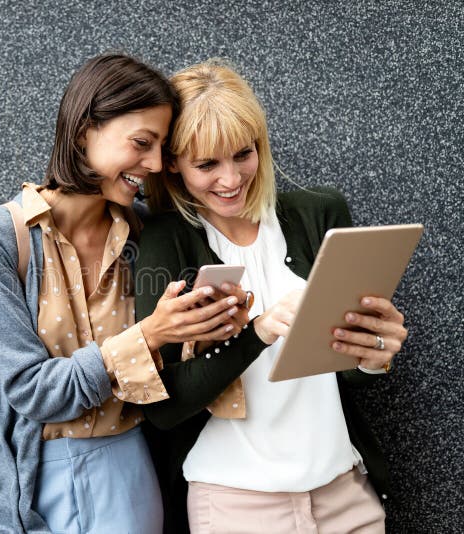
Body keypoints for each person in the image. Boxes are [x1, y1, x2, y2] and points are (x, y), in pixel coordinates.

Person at [0, 53, 252, 533]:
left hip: (130, 468)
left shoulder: (146, 235)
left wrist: (209, 330)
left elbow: (168, 381)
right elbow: (32, 391)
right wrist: (149, 335)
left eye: (162, 147)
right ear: (83, 132)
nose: (155, 164)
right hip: (29, 476)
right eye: (142, 143)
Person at [136, 59, 407, 533]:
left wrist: (373, 354)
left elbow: (346, 376)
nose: (231, 178)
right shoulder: (165, 240)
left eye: (244, 153)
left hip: (343, 492)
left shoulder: (319, 213)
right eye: (207, 164)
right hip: (235, 505)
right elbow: (163, 407)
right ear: (173, 163)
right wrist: (258, 332)